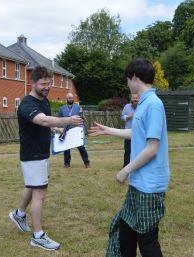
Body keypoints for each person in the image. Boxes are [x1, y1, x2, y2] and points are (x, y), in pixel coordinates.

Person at [89, 58, 169, 257]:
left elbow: (152, 149)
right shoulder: (143, 103)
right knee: (125, 229)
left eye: (127, 79)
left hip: (149, 186)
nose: (127, 83)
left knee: (147, 240)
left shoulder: (154, 105)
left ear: (134, 77)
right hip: (139, 183)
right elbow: (137, 133)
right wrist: (108, 130)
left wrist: (125, 170)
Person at [9, 66, 83, 251]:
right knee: (39, 193)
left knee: (32, 185)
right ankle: (38, 236)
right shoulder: (27, 104)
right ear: (32, 83)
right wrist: (68, 121)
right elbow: (42, 120)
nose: (47, 87)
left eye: (49, 84)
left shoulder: (44, 101)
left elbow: (45, 123)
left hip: (41, 153)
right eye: (43, 84)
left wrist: (55, 129)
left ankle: (19, 214)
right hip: (32, 154)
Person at [57, 92, 90, 168]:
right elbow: (59, 119)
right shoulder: (62, 109)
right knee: (67, 148)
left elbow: (82, 118)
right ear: (66, 99)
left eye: (71, 98)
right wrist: (59, 128)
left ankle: (86, 162)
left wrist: (82, 122)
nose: (70, 99)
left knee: (81, 147)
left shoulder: (78, 107)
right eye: (69, 98)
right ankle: (66, 163)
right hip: (67, 130)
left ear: (73, 99)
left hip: (76, 130)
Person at [121, 94, 139, 167]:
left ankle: (137, 166)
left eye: (136, 98)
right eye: (133, 98)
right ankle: (125, 166)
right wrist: (128, 116)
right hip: (128, 132)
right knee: (127, 150)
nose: (135, 99)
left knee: (138, 150)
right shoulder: (127, 107)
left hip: (139, 132)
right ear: (131, 99)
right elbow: (122, 117)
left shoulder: (142, 107)